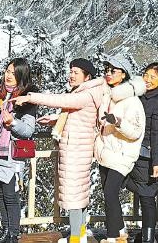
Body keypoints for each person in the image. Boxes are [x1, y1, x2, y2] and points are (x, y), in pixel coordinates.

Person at [12, 58, 106, 243]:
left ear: (87, 77)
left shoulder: (86, 94)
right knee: (79, 193)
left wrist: (30, 97)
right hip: (78, 149)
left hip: (75, 150)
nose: (71, 75)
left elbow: (60, 100)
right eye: (71, 71)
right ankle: (80, 233)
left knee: (74, 196)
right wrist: (54, 119)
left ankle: (75, 238)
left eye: (76, 73)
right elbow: (78, 116)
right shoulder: (85, 93)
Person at [94, 55, 146, 243]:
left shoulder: (132, 101)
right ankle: (119, 233)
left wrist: (117, 122)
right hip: (105, 151)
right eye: (106, 70)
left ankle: (114, 236)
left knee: (110, 193)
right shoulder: (107, 95)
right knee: (109, 195)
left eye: (113, 70)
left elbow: (136, 132)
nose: (108, 73)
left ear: (123, 74)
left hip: (122, 154)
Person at [0, 58, 37, 243]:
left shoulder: (26, 99)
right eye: (7, 71)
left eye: (14, 73)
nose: (8, 75)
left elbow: (29, 130)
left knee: (10, 195)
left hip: (12, 155)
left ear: (21, 76)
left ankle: (13, 234)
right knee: (0, 193)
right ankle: (5, 229)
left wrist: (13, 122)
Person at [126, 63, 158, 243]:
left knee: (147, 197)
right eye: (146, 75)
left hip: (146, 155)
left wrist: (157, 162)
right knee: (115, 183)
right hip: (128, 151)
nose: (148, 80)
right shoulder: (136, 96)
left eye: (153, 77)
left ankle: (148, 237)